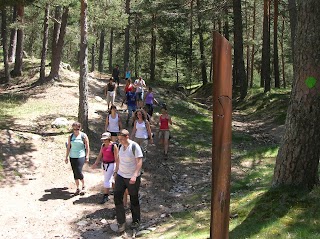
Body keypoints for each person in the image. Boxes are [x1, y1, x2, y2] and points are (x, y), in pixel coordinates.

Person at [113, 129, 143, 233]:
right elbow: (118, 160)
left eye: (122, 139)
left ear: (127, 137)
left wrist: (135, 175)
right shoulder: (120, 146)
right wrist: (116, 172)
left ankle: (136, 220)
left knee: (133, 198)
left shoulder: (134, 146)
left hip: (132, 177)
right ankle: (121, 222)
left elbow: (139, 161)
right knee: (117, 197)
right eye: (119, 139)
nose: (120, 141)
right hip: (121, 175)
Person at [92, 132, 118, 204]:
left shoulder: (113, 146)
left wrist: (117, 167)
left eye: (106, 139)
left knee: (107, 179)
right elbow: (100, 154)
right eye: (103, 139)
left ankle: (106, 195)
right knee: (110, 178)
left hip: (112, 164)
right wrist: (96, 163)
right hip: (104, 164)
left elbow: (116, 157)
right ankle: (115, 191)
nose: (104, 141)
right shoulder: (103, 145)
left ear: (109, 139)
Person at [65, 122, 90, 195]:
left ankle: (83, 185)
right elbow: (68, 147)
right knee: (74, 172)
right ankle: (77, 187)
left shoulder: (83, 136)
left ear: (80, 128)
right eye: (74, 129)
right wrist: (66, 157)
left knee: (78, 171)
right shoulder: (70, 136)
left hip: (81, 155)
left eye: (77, 129)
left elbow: (87, 147)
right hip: (72, 156)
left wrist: (87, 156)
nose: (76, 130)